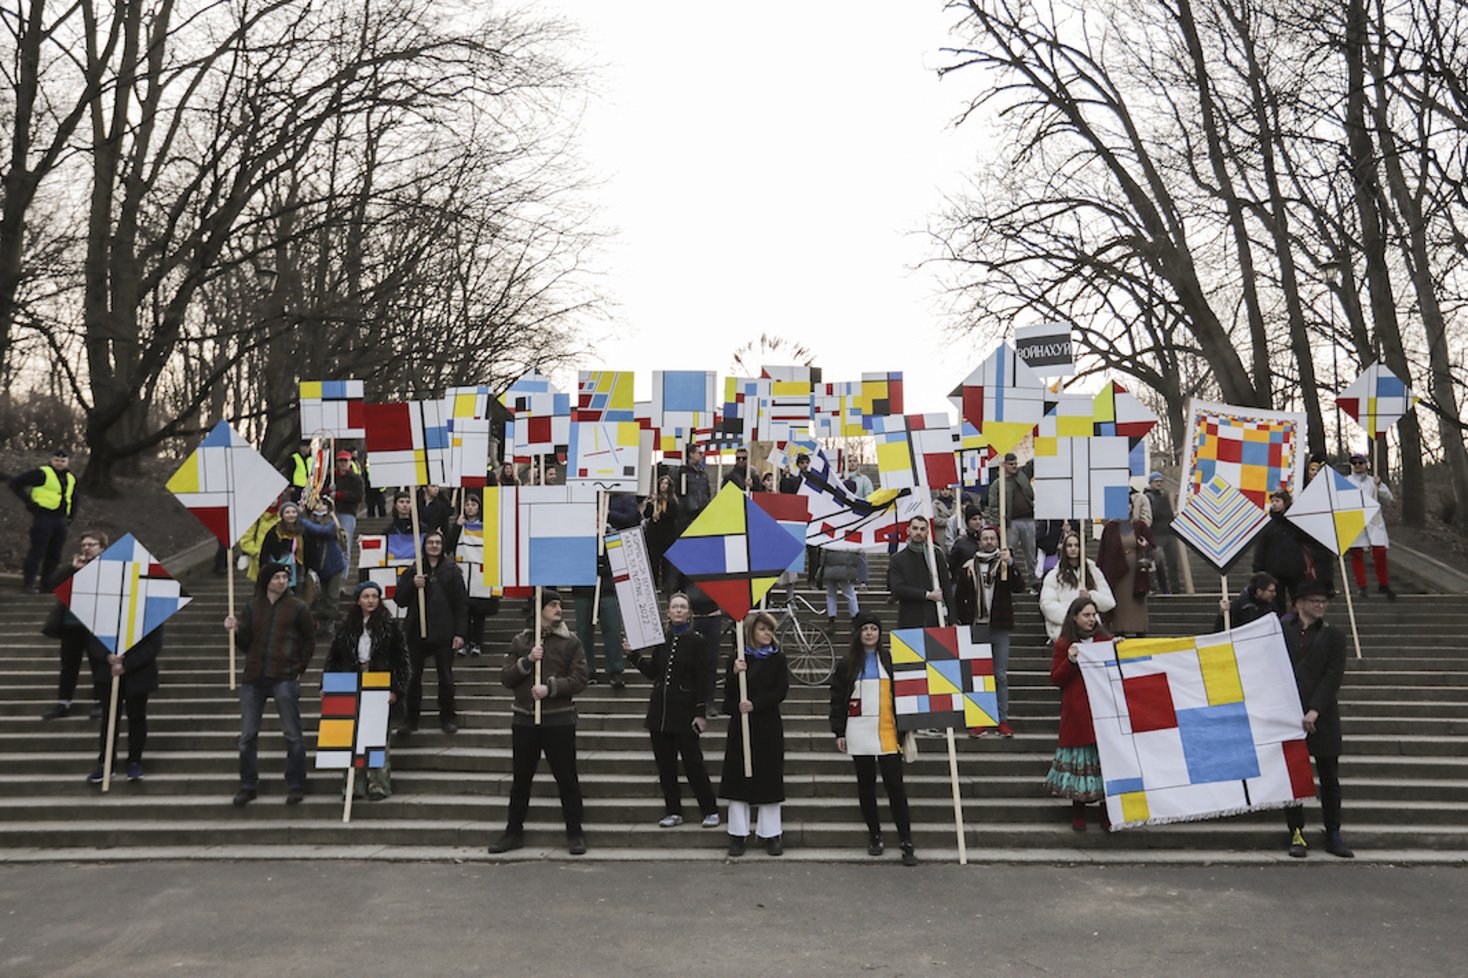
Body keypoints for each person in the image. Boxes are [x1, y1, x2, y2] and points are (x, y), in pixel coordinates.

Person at [489, 589, 590, 855]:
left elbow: (580, 678)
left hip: (559, 720)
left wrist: (551, 688)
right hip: (524, 720)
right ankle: (513, 832)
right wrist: (527, 661)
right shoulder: (521, 641)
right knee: (521, 780)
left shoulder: (571, 642)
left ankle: (575, 832)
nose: (558, 609)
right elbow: (506, 677)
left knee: (567, 778)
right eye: (552, 605)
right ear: (539, 609)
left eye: (559, 604)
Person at [828, 611, 917, 866]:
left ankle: (906, 841)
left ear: (880, 633)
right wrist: (839, 731)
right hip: (858, 730)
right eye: (865, 628)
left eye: (874, 629)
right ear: (858, 633)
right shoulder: (846, 664)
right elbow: (837, 699)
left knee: (895, 786)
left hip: (888, 731)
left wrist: (907, 725)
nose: (869, 633)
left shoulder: (890, 659)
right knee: (866, 786)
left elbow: (906, 692)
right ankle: (875, 835)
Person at [623, 593, 720, 829]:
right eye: (674, 607)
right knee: (665, 766)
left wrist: (700, 712)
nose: (678, 610)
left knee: (693, 763)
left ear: (689, 613)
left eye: (682, 607)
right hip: (660, 711)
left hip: (685, 711)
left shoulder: (698, 641)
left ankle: (710, 809)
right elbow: (653, 672)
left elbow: (703, 679)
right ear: (668, 612)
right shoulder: (662, 640)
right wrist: (633, 656)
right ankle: (673, 810)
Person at [223, 562, 315, 805]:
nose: (282, 581)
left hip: (284, 675)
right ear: (266, 581)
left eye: (285, 577)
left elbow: (309, 641)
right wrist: (235, 629)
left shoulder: (298, 607)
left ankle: (296, 783)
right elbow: (245, 644)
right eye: (277, 577)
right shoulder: (252, 607)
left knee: (293, 734)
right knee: (247, 735)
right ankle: (248, 784)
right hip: (254, 678)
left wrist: (299, 668)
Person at [1282, 579, 1353, 858]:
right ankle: (1296, 832)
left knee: (1329, 777)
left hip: (1323, 716)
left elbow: (1334, 675)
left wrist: (1315, 709)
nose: (1321, 605)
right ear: (1299, 603)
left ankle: (1333, 832)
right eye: (1315, 601)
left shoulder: (1334, 635)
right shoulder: (1280, 631)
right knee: (1293, 778)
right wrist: (1224, 612)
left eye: (1324, 602)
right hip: (1288, 714)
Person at [324, 580, 412, 801]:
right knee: (350, 735)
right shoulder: (346, 627)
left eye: (374, 596)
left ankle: (378, 784)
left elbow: (402, 662)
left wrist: (395, 689)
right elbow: (334, 658)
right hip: (351, 680)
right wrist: (327, 686)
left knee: (377, 735)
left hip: (379, 680)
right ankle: (353, 784)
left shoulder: (390, 627)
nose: (371, 601)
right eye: (366, 596)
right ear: (358, 600)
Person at [720, 610, 789, 856]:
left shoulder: (777, 658)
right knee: (739, 778)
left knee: (769, 778)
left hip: (767, 724)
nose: (767, 633)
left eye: (770, 629)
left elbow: (780, 690)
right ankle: (738, 834)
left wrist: (756, 704)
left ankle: (771, 834)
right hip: (742, 726)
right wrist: (735, 674)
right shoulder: (737, 658)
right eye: (762, 629)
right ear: (751, 632)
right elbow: (728, 696)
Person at [1044, 596, 1112, 831]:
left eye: (1094, 615)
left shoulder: (1105, 641)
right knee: (1080, 765)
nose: (1091, 619)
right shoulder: (1064, 644)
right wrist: (1071, 660)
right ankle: (1078, 812)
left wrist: (1120, 649)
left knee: (1106, 765)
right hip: (1077, 712)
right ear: (1075, 617)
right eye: (1086, 615)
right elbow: (1056, 678)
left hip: (1103, 710)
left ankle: (1106, 813)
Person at [953, 525, 1024, 738]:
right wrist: (960, 620)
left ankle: (1002, 719)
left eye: (993, 538)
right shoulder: (969, 567)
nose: (989, 542)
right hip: (977, 625)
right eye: (985, 538)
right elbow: (960, 596)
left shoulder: (1004, 565)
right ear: (979, 541)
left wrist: (1010, 563)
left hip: (999, 626)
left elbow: (1019, 586)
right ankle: (980, 719)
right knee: (978, 675)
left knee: (1000, 676)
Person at [395, 530, 467, 735]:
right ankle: (411, 719)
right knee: (413, 677)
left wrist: (460, 633)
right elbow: (399, 599)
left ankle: (448, 717)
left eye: (437, 542)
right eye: (430, 542)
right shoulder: (414, 570)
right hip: (416, 632)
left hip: (444, 632)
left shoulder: (452, 571)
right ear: (424, 546)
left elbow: (461, 604)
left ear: (442, 546)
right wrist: (413, 585)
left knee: (445, 677)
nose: (434, 546)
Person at [41, 531, 110, 721]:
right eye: (84, 545)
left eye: (91, 544)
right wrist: (72, 569)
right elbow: (52, 584)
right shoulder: (74, 566)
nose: (86, 548)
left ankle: (100, 701)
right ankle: (63, 703)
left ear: (102, 548)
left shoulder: (108, 568)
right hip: (71, 624)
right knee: (69, 665)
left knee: (98, 664)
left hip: (96, 625)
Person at [88, 625, 164, 785]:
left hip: (138, 674)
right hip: (108, 673)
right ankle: (106, 762)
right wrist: (107, 656)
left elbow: (153, 645)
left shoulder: (149, 615)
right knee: (109, 718)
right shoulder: (104, 612)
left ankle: (135, 760)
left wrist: (126, 665)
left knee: (137, 717)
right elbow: (93, 638)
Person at [10, 447, 77, 593]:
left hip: (61, 519)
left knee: (54, 554)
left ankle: (47, 585)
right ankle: (29, 584)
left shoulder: (71, 478)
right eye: (56, 460)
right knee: (37, 552)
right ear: (51, 460)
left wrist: (71, 517)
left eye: (62, 461)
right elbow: (15, 483)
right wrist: (29, 502)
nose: (59, 463)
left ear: (67, 462)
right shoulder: (42, 473)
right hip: (44, 517)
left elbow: (74, 498)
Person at [1252, 490, 1332, 612]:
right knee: (1277, 604)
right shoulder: (1268, 524)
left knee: (1298, 601)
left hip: (1296, 570)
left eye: (1277, 501)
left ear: (1285, 502)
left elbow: (1309, 541)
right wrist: (1258, 567)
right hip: (1274, 570)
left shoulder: (1296, 522)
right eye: (1272, 501)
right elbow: (1261, 547)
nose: (1274, 504)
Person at [444, 492, 500, 657]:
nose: (470, 508)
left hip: (480, 574)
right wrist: (457, 526)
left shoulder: (486, 526)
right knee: (464, 612)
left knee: (479, 612)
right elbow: (449, 546)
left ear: (479, 507)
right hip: (463, 574)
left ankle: (477, 643)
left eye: (473, 505)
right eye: (467, 504)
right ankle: (465, 641)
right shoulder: (459, 525)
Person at [1039, 531, 1116, 642]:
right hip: (1065, 632)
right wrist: (1072, 618)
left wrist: (1091, 596)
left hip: (1091, 633)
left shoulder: (1093, 571)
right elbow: (1047, 604)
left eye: (1077, 545)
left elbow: (1110, 602)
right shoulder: (1054, 575)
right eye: (1069, 545)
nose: (1073, 549)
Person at [1096, 497, 1154, 637]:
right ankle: (1119, 630)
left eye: (1128, 504)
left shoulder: (1140, 525)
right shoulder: (1110, 527)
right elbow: (1104, 550)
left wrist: (1144, 546)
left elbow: (1152, 546)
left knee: (1137, 602)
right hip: (1118, 569)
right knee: (1120, 600)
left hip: (1136, 570)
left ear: (1132, 506)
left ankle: (1139, 629)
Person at [1344, 453, 1396, 600]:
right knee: (1356, 554)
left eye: (1360, 462)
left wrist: (1379, 485)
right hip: (1355, 520)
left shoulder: (1373, 481)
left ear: (1366, 464)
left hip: (1374, 521)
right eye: (1354, 463)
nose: (1357, 465)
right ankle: (1362, 586)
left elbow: (1389, 498)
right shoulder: (1346, 482)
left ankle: (1383, 584)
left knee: (1380, 552)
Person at [886, 514, 953, 628]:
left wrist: (952, 619)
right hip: (909, 619)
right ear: (908, 530)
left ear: (927, 532)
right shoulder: (897, 559)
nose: (918, 532)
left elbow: (946, 586)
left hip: (934, 618)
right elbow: (897, 588)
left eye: (922, 529)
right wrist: (927, 595)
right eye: (915, 528)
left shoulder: (936, 555)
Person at [986, 453, 1036, 582]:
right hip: (1010, 522)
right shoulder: (997, 484)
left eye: (1015, 463)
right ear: (1004, 465)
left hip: (1028, 519)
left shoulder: (1022, 474)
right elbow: (994, 506)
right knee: (1009, 551)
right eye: (1011, 464)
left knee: (1031, 551)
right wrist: (998, 525)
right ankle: (1010, 577)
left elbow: (1033, 464)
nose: (1014, 466)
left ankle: (1033, 578)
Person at [300, 499, 349, 622]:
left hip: (334, 565)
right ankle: (323, 618)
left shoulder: (331, 524)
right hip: (320, 566)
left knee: (332, 595)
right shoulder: (310, 523)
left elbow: (321, 531)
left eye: (322, 504)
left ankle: (331, 618)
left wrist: (301, 519)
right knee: (323, 595)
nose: (320, 506)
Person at [642, 474, 680, 593]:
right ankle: (654, 584)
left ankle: (666, 585)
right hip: (654, 534)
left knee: (666, 562)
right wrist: (650, 504)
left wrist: (660, 515)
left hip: (667, 534)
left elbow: (673, 515)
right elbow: (646, 514)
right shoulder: (654, 499)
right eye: (662, 483)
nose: (663, 486)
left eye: (666, 484)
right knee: (653, 559)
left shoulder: (672, 500)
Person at [1143, 473, 1178, 594]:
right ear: (1150, 483)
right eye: (1156, 481)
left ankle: (1175, 589)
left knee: (1173, 562)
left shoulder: (1165, 496)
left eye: (1161, 481)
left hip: (1168, 533)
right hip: (1156, 535)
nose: (1159, 483)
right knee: (1159, 563)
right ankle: (1164, 589)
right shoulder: (1148, 497)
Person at [1214, 572, 1279, 632]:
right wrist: (1223, 615)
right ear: (1259, 591)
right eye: (1271, 591)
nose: (1274, 594)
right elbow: (1220, 630)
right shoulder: (1238, 606)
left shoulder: (1271, 606)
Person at [331, 451, 364, 561]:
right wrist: (328, 491)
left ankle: (344, 570)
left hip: (347, 513)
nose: (343, 463)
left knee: (344, 544)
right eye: (341, 461)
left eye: (345, 461)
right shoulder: (331, 477)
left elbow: (358, 496)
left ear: (350, 462)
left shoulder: (356, 479)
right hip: (331, 513)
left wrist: (340, 495)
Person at [820, 548, 862, 631]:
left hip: (830, 569)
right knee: (850, 595)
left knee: (831, 595)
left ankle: (831, 620)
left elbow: (823, 556)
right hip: (845, 570)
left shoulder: (830, 544)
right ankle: (855, 619)